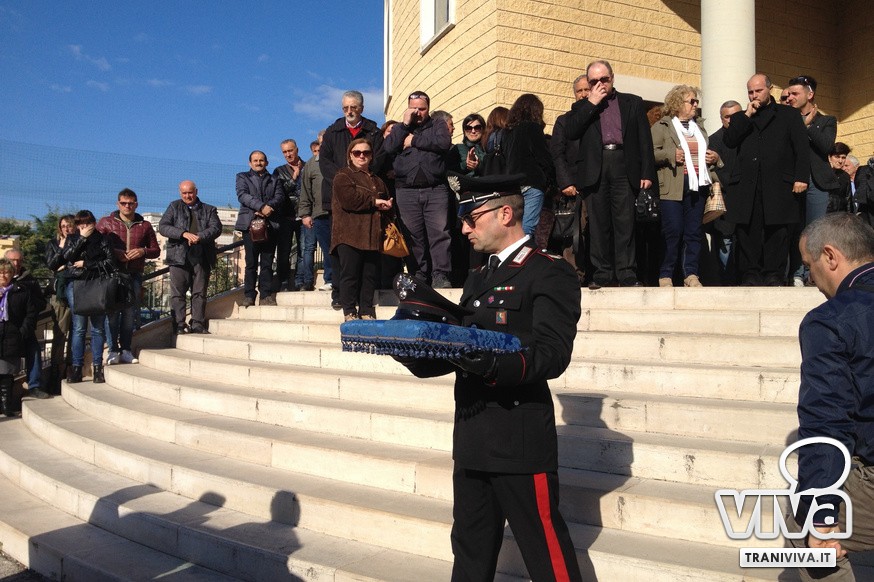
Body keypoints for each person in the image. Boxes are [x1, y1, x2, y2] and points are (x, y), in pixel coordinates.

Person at [394, 172, 582, 581]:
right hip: (473, 435)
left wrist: (493, 364)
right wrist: (411, 351)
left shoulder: (548, 271)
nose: (464, 228)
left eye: (471, 218)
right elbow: (459, 349)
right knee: (469, 551)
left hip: (518, 438)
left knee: (546, 553)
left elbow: (552, 354)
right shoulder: (479, 276)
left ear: (505, 214)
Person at [789, 212, 874, 581]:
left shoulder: (830, 320)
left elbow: (826, 422)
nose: (811, 279)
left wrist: (820, 514)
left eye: (809, 266)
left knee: (802, 522)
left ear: (830, 256)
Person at [563, 59, 656, 289]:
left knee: (625, 222)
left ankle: (627, 273)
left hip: (624, 163)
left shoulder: (632, 102)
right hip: (595, 167)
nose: (599, 85)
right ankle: (602, 274)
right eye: (593, 81)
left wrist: (647, 171)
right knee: (598, 224)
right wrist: (591, 103)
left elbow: (645, 140)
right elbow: (572, 132)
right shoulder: (581, 107)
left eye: (604, 79)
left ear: (612, 78)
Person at [723, 73, 809, 286]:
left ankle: (774, 274)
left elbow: (801, 148)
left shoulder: (788, 114)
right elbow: (730, 141)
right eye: (750, 92)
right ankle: (750, 274)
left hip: (778, 183)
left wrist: (801, 177)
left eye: (758, 90)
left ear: (769, 89)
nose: (754, 95)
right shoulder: (741, 117)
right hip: (748, 184)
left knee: (777, 230)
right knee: (747, 230)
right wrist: (747, 115)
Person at [320, 91, 385, 309]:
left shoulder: (373, 131)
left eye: (354, 107)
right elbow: (325, 162)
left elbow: (379, 158)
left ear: (361, 109)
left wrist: (361, 182)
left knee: (365, 255)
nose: (349, 111)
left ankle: (363, 299)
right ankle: (339, 293)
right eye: (345, 107)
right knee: (341, 252)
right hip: (338, 200)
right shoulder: (332, 132)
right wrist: (344, 181)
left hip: (367, 199)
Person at [383, 91, 453, 288]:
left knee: (440, 233)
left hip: (435, 189)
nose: (417, 112)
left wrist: (413, 141)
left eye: (421, 109)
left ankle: (440, 275)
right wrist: (405, 125)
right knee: (413, 236)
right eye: (413, 108)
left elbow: (443, 143)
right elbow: (388, 148)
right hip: (406, 191)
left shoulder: (438, 125)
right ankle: (419, 275)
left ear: (428, 108)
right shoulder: (400, 128)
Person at [651, 85, 717, 287]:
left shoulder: (699, 127)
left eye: (697, 101)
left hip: (698, 185)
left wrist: (715, 158)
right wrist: (670, 154)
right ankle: (666, 274)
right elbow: (649, 152)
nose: (696, 105)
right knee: (672, 231)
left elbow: (705, 154)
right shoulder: (662, 126)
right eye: (692, 101)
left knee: (693, 232)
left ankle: (691, 274)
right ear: (678, 103)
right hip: (672, 185)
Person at [784, 75, 840, 286]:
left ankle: (813, 274)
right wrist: (800, 125)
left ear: (810, 95)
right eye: (788, 94)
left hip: (817, 183)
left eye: (795, 94)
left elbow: (826, 146)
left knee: (815, 230)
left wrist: (807, 127)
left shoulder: (827, 121)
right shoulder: (786, 120)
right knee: (794, 228)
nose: (790, 97)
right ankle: (796, 273)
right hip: (791, 181)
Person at [330, 138, 393, 321]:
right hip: (349, 234)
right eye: (357, 152)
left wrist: (387, 205)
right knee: (350, 275)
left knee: (369, 276)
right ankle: (349, 311)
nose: (361, 156)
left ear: (371, 156)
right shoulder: (343, 175)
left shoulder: (377, 180)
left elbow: (385, 200)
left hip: (372, 234)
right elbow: (349, 200)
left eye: (366, 152)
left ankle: (366, 310)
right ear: (350, 155)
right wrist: (375, 202)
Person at [97, 188, 160, 364]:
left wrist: (142, 251)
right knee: (112, 314)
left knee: (129, 314)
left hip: (133, 274)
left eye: (130, 203)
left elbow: (156, 250)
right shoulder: (106, 223)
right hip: (112, 274)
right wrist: (115, 253)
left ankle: (126, 349)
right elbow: (96, 246)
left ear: (136, 204)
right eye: (124, 203)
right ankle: (112, 350)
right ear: (118, 204)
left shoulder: (145, 225)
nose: (127, 206)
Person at [158, 180, 222, 334]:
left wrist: (200, 236)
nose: (188, 196)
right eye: (184, 193)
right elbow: (163, 227)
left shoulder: (209, 209)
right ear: (180, 193)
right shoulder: (174, 207)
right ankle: (179, 324)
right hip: (178, 256)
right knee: (178, 293)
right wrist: (183, 234)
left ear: (196, 192)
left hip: (202, 256)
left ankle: (198, 323)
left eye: (190, 192)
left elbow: (216, 228)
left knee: (199, 292)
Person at [63, 210, 118, 384]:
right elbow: (67, 257)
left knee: (97, 328)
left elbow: (110, 262)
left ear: (94, 223)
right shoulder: (73, 239)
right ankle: (77, 368)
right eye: (80, 223)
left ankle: (97, 368)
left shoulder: (103, 239)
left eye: (87, 223)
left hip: (97, 284)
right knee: (79, 328)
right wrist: (81, 239)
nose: (84, 226)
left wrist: (87, 264)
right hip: (77, 284)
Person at [235, 150, 284, 307]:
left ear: (266, 162)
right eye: (255, 160)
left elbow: (279, 197)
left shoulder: (275, 179)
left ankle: (265, 295)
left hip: (270, 225)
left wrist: (268, 208)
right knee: (251, 263)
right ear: (250, 163)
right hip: (249, 226)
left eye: (261, 160)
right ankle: (249, 294)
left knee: (267, 262)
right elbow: (243, 195)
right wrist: (261, 207)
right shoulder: (242, 177)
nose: (258, 163)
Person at [504, 93, 556, 239]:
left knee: (515, 227)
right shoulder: (533, 128)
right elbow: (544, 158)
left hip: (513, 185)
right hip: (532, 183)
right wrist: (551, 181)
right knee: (528, 228)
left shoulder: (508, 133)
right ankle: (523, 253)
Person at [706, 101, 743, 285]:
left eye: (735, 116)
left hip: (746, 202)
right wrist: (720, 162)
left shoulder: (750, 137)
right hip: (725, 204)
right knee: (725, 244)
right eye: (727, 117)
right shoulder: (714, 140)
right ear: (721, 119)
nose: (731, 120)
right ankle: (726, 282)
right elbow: (715, 175)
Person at [4, 249, 50, 398]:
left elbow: (41, 303)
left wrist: (27, 298)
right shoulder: (2, 278)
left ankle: (34, 386)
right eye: (12, 260)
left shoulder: (29, 281)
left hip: (24, 326)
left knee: (34, 350)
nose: (16, 263)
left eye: (19, 260)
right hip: (4, 328)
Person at [0, 258, 40, 415]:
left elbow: (31, 314)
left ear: (12, 274)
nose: (3, 276)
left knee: (6, 372)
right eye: (0, 272)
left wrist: (22, 332)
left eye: (7, 272)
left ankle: (6, 405)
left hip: (12, 336)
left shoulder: (21, 291)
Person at [300, 137, 335, 296]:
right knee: (327, 249)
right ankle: (330, 279)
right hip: (320, 214)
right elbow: (305, 190)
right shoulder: (310, 164)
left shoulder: (340, 158)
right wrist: (305, 214)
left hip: (341, 213)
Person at [45, 214, 77, 386]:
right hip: (60, 294)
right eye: (63, 226)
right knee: (60, 333)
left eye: (69, 225)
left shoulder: (80, 242)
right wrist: (62, 249)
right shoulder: (53, 243)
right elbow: (52, 265)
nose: (66, 228)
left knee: (77, 332)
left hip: (78, 291)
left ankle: (72, 366)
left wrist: (66, 265)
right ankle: (55, 371)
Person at [273, 139, 308, 292]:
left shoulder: (308, 166)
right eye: (284, 152)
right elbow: (279, 193)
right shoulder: (279, 171)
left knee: (304, 250)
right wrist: (294, 177)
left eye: (290, 150)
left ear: (297, 150)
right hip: (285, 217)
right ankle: (284, 282)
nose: (288, 154)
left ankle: (301, 281)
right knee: (284, 251)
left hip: (304, 216)